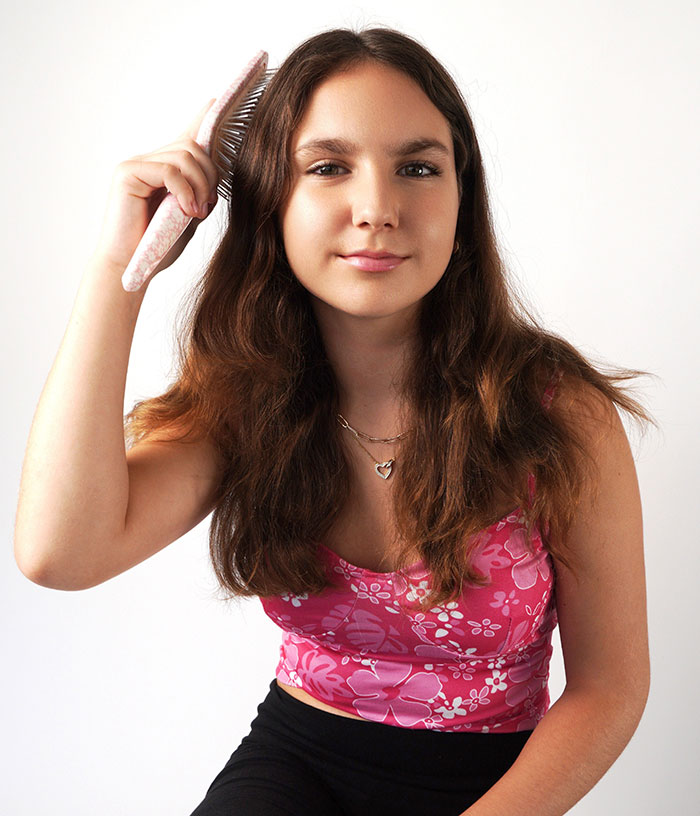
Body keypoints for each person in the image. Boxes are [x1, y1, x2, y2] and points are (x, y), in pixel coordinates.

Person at [14, 26, 653, 816]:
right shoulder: (243, 403)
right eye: (328, 167)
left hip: (496, 786)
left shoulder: (560, 414)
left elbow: (610, 690)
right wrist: (120, 267)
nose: (378, 208)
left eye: (418, 167)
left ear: (463, 201)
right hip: (298, 760)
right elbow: (59, 553)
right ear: (271, 203)